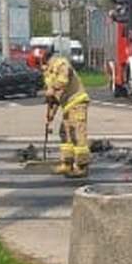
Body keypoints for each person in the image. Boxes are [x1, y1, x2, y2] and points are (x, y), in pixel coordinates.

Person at [42, 49, 90, 177]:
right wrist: (51, 114)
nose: (41, 68)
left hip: (77, 101)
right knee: (65, 133)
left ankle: (81, 166)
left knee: (77, 133)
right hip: (67, 106)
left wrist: (52, 88)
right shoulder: (48, 73)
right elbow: (55, 97)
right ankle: (67, 163)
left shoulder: (61, 64)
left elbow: (63, 81)